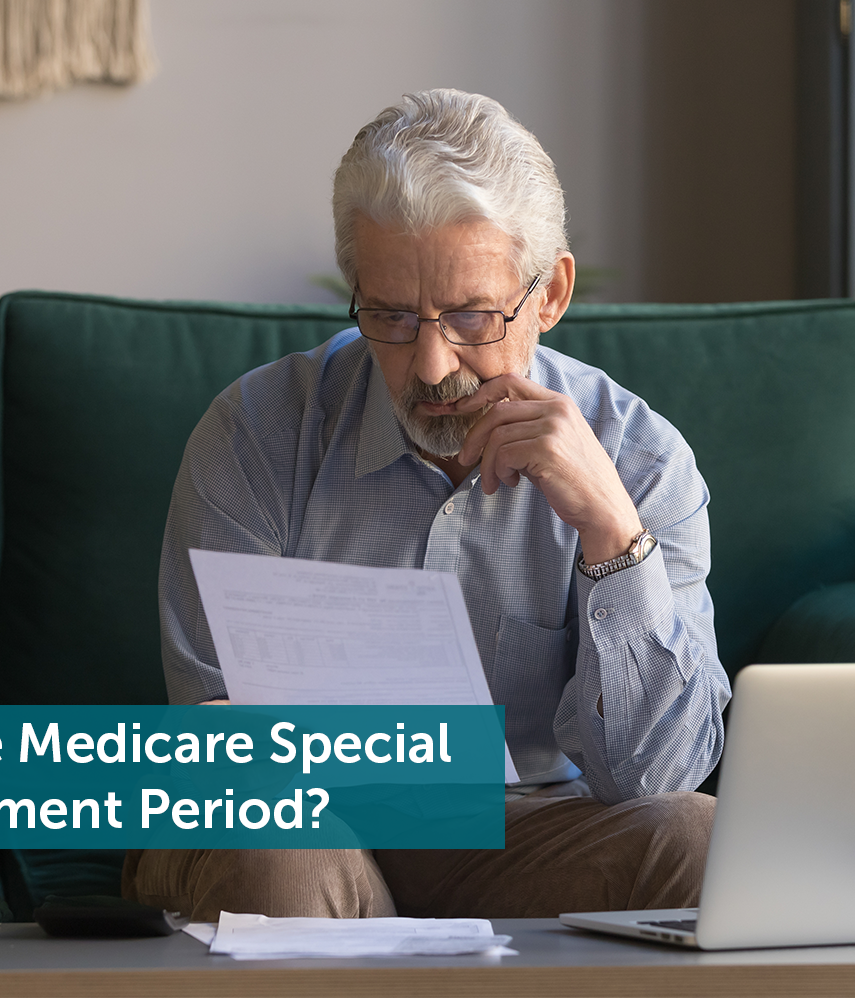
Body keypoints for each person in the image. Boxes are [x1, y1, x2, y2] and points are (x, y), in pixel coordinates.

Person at [125, 89, 731, 920]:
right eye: (392, 316)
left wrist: (610, 534)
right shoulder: (258, 434)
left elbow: (653, 778)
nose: (431, 363)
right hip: (293, 820)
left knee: (694, 838)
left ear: (548, 295)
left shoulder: (640, 458)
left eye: (473, 316)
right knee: (280, 840)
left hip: (516, 837)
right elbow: (215, 744)